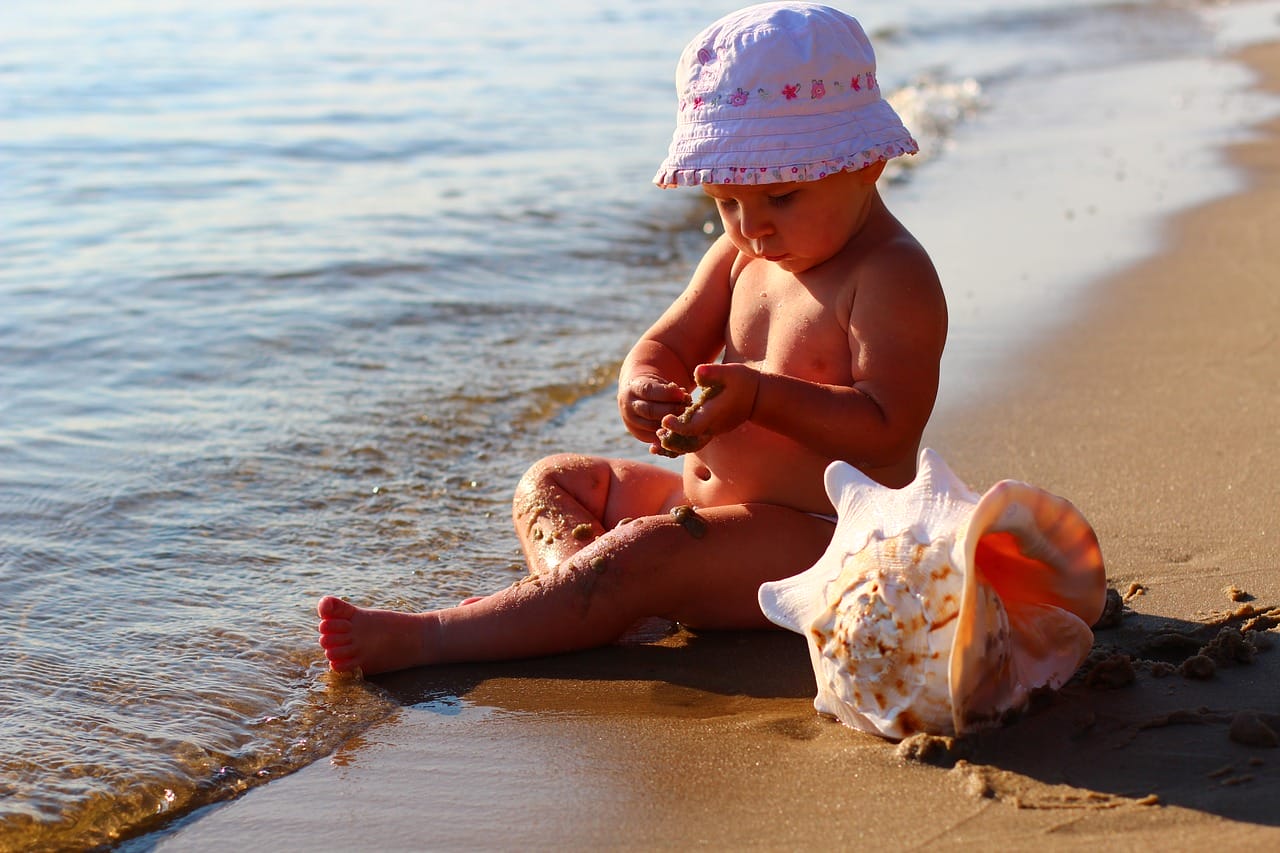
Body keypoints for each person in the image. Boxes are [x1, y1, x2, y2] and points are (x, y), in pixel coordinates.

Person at [317, 2, 947, 675]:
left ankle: (439, 634)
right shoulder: (740, 259)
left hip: (820, 540)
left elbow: (887, 428)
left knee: (650, 547)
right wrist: (642, 386)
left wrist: (761, 399)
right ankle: (577, 599)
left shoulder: (890, 275)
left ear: (866, 163)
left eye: (782, 197)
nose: (752, 226)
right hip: (710, 516)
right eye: (726, 202)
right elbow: (664, 345)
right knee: (551, 481)